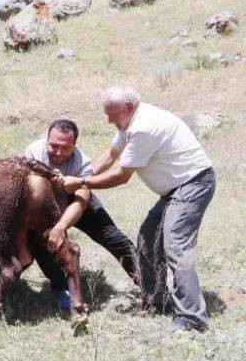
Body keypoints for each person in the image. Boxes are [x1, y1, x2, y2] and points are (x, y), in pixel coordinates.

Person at [62, 87, 215, 332]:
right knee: (148, 237)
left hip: (193, 184)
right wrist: (82, 176)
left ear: (128, 108)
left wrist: (80, 183)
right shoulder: (129, 123)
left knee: (176, 246)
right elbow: (111, 154)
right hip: (176, 189)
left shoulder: (143, 127)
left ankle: (192, 319)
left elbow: (122, 175)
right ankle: (157, 300)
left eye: (110, 112)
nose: (108, 119)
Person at [24, 119, 139, 311]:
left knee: (113, 237)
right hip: (43, 204)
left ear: (74, 145)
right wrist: (53, 228)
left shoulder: (82, 163)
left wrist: (61, 227)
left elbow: (82, 199)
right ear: (47, 140)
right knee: (41, 241)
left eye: (65, 148)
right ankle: (62, 289)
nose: (58, 153)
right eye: (54, 146)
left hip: (75, 201)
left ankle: (150, 283)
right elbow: (33, 194)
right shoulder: (33, 153)